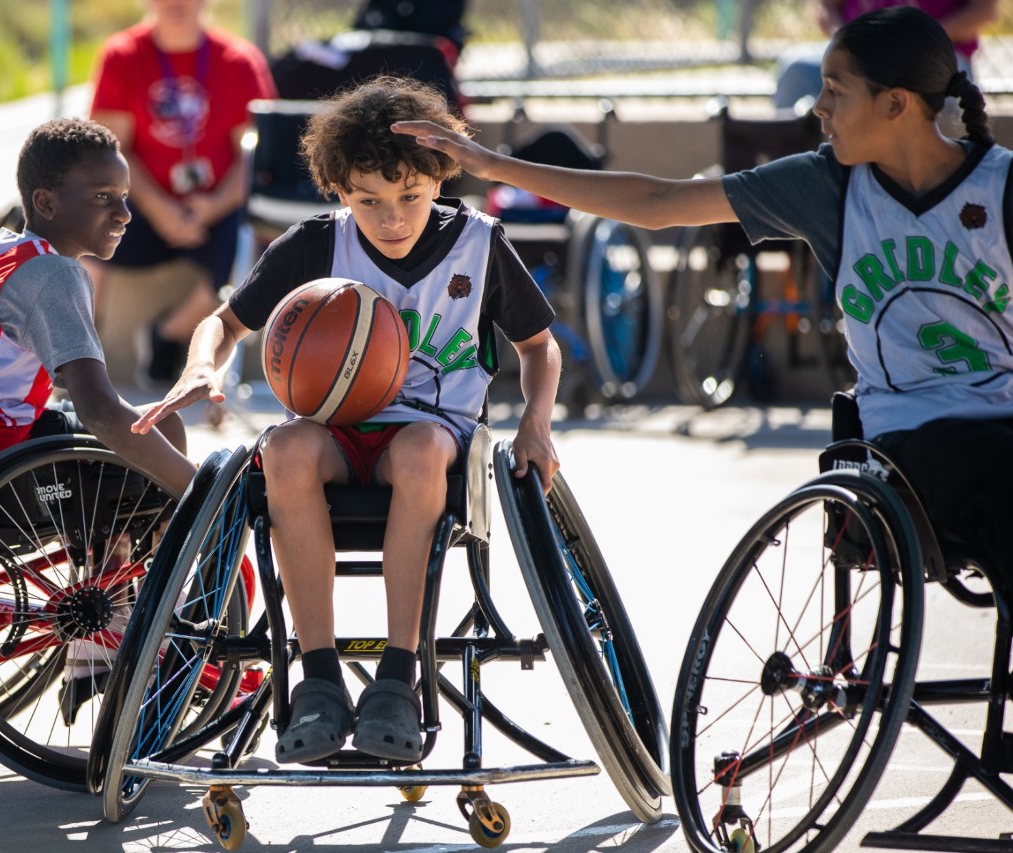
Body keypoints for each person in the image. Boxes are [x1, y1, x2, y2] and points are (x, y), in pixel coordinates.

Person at [396, 6, 1013, 596]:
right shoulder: (829, 185)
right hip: (906, 442)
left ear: (895, 103)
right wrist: (495, 166)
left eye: (835, 90)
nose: (818, 107)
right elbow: (658, 204)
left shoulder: (1000, 187)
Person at [131, 76, 562, 763]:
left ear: (440, 178)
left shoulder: (479, 245)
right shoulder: (317, 245)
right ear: (339, 191)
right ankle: (320, 678)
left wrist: (536, 423)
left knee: (420, 448)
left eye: (410, 197)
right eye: (370, 201)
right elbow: (224, 322)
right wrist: (201, 365)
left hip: (432, 432)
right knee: (286, 451)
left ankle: (397, 675)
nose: (391, 217)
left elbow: (539, 348)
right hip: (335, 429)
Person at [0, 118, 198, 718]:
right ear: (46, 201)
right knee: (155, 451)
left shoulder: (1, 253)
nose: (123, 215)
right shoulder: (55, 275)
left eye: (124, 199)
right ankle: (109, 643)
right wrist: (199, 490)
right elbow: (100, 412)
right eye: (102, 200)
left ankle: (103, 625)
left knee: (152, 425)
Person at [87, 0, 277, 387]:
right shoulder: (122, 55)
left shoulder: (240, 62)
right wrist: (160, 209)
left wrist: (211, 207)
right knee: (81, 222)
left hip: (214, 210)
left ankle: (170, 336)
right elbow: (112, 149)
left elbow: (255, 157)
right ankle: (73, 361)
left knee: (241, 247)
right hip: (140, 204)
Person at [773, 0, 997, 112]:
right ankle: (785, 179)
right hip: (859, 51)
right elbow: (825, 8)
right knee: (797, 69)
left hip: (932, 51)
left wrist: (924, 35)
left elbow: (984, 11)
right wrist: (846, 41)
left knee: (947, 99)